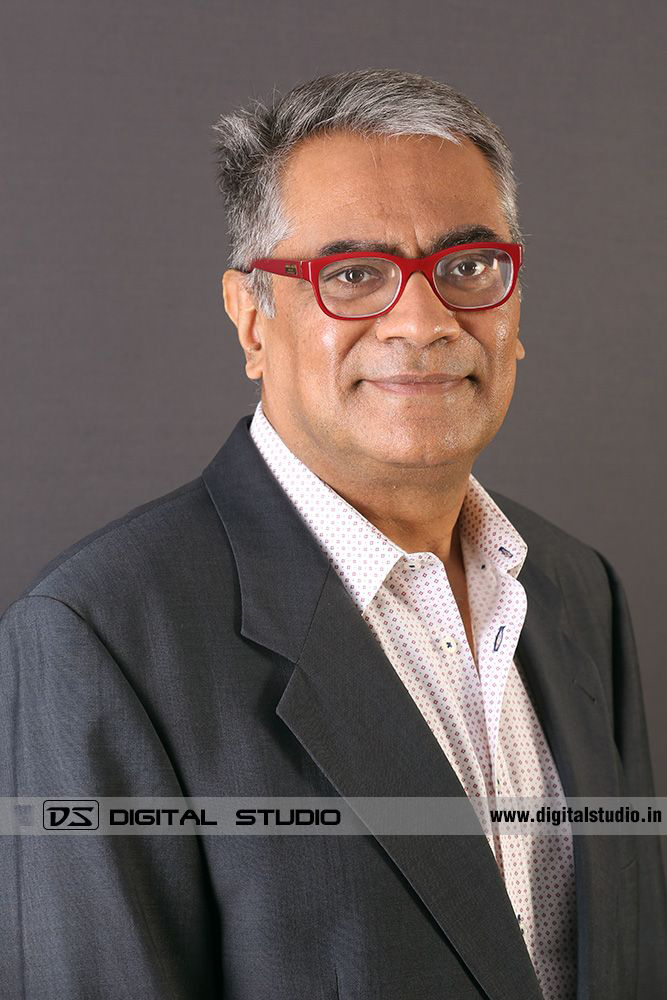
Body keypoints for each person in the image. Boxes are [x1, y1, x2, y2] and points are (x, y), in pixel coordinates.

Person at [1, 68, 665, 1000]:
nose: (425, 322)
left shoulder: (577, 593)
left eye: (468, 267)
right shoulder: (99, 639)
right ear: (252, 321)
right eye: (352, 275)